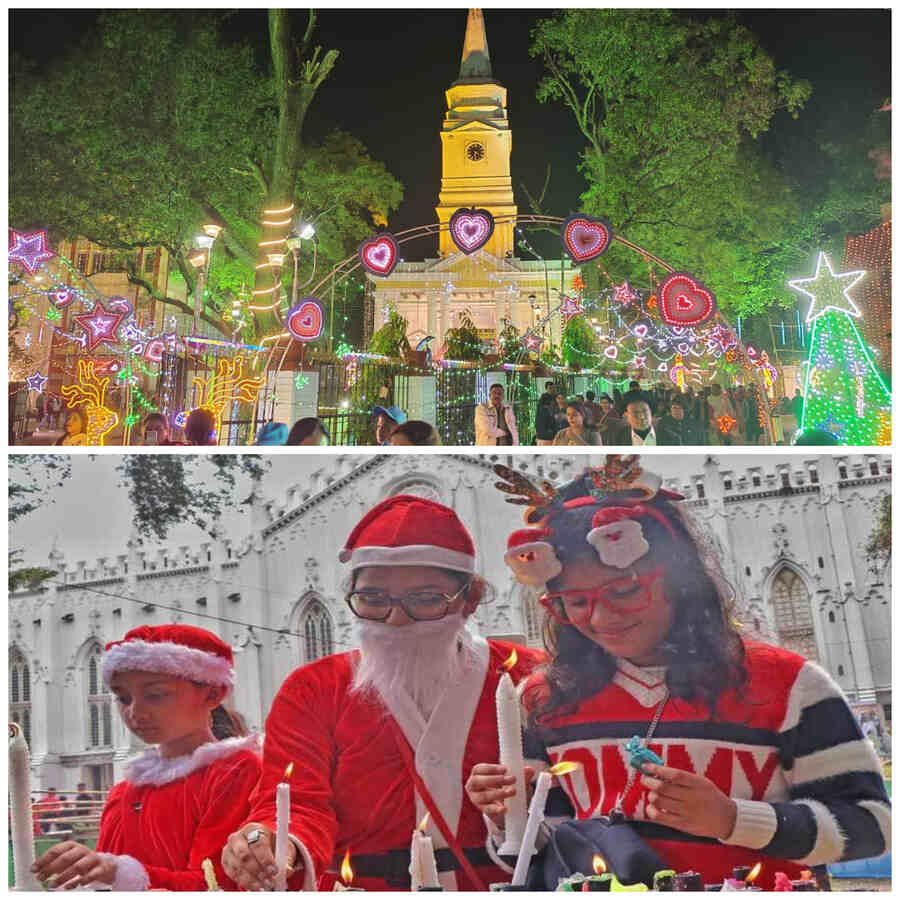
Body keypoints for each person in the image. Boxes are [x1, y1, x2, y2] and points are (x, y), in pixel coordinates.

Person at [466, 458, 891, 891]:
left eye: (625, 591)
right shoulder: (542, 699)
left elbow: (872, 827)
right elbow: (544, 847)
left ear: (680, 580)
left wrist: (732, 819)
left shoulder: (791, 686)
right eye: (575, 602)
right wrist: (508, 819)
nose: (602, 616)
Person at [221, 495, 545, 891]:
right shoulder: (313, 689)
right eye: (373, 599)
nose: (395, 618)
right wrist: (275, 839)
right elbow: (295, 799)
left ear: (470, 600)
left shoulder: (529, 674)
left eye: (425, 600)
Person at [31, 624, 260, 891]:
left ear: (212, 693)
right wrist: (89, 871)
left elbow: (218, 884)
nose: (135, 712)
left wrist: (116, 872)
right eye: (123, 698)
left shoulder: (235, 773)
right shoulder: (124, 793)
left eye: (154, 695)